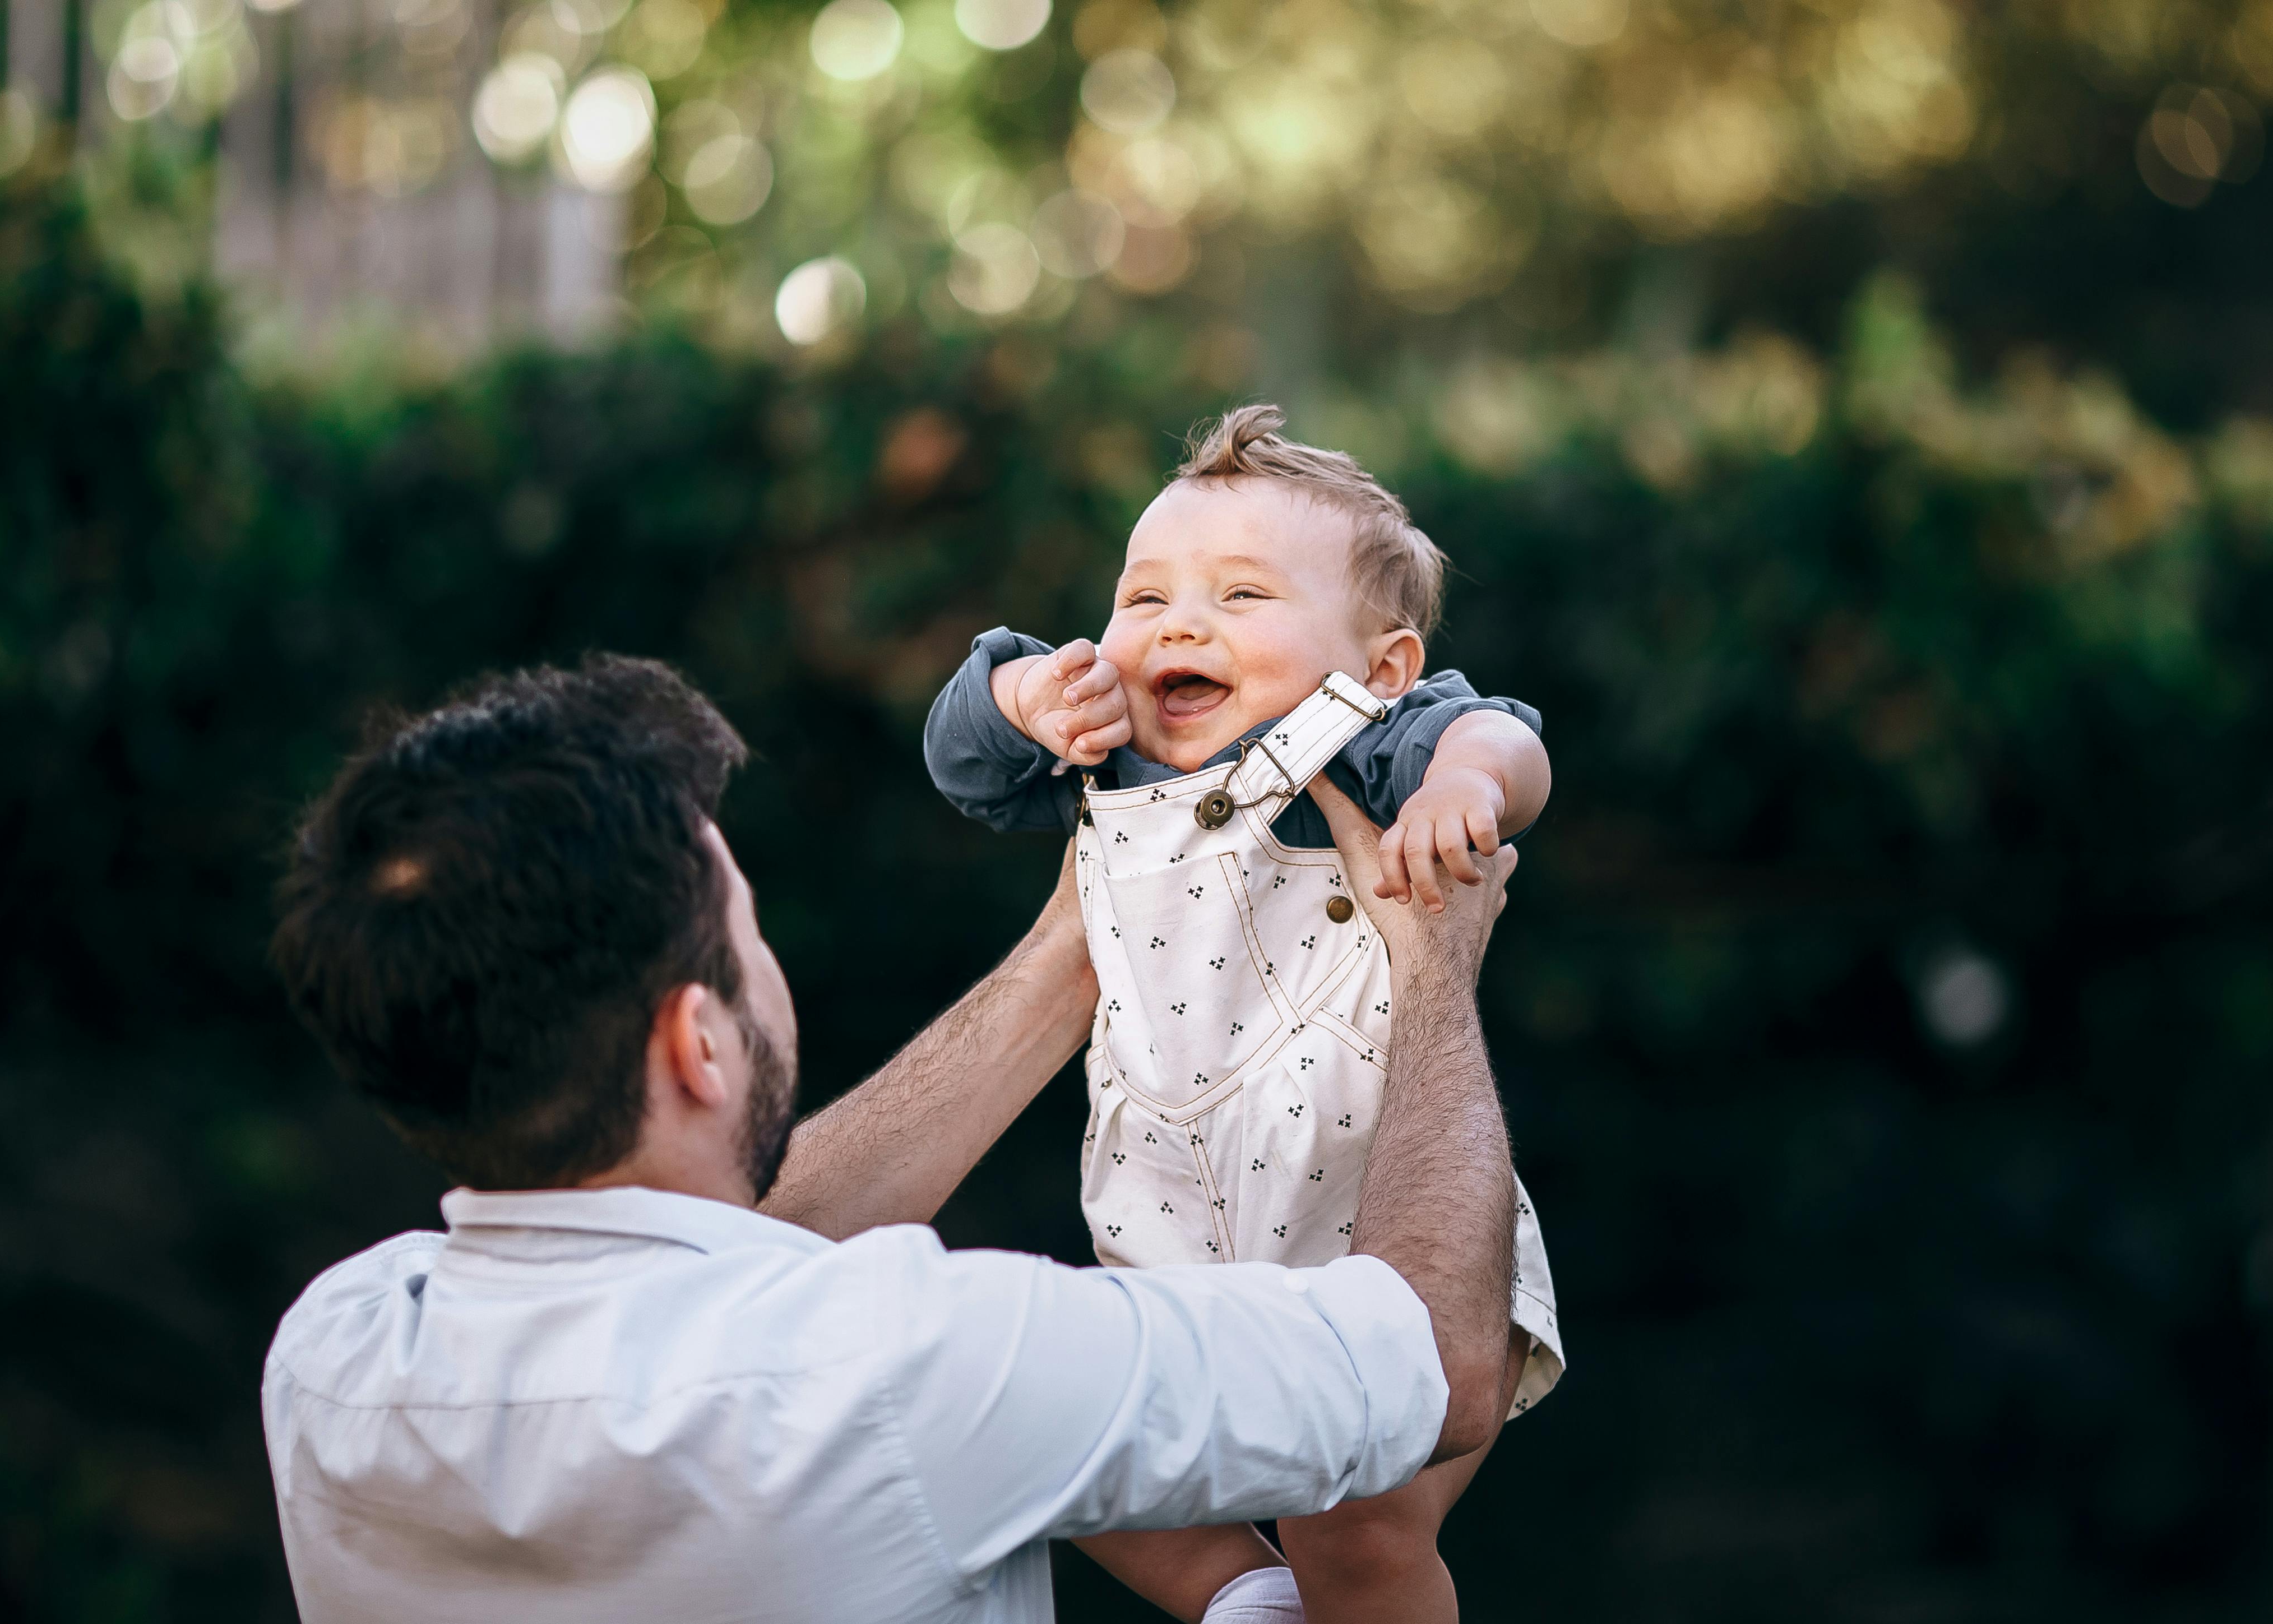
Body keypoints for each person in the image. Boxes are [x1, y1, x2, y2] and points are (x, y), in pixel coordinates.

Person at [261, 653, 1527, 1624]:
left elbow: (704, 1261)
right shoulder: (915, 1363)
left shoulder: (331, 1361)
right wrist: (1432, 968)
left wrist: (1084, 940)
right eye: (747, 930)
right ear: (698, 1044)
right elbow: (1437, 1363)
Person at [922, 404, 1564, 1623]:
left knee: (1354, 1513)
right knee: (1062, 1447)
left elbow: (1505, 737)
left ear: (1378, 669)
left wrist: (1468, 785)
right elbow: (959, 758)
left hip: (1369, 1235)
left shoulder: (1364, 752)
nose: (1176, 624)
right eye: (1145, 595)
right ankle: (1244, 1602)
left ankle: (1321, 1592)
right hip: (1173, 1242)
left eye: (1240, 599)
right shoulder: (1107, 756)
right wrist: (1020, 695)